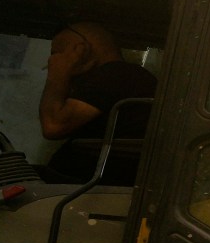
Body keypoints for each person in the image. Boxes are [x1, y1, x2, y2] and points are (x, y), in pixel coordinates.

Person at [38, 21, 155, 183]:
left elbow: (53, 125)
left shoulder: (117, 75)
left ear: (81, 48)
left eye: (57, 53)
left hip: (87, 190)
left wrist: (57, 75)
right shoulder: (120, 77)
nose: (53, 60)